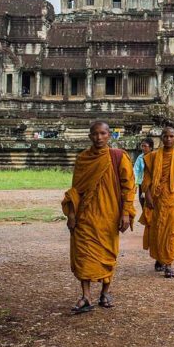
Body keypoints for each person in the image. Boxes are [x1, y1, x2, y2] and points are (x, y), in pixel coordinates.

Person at [61, 120, 135, 314]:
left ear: (109, 135)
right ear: (89, 136)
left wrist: (126, 212)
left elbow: (128, 186)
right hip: (85, 215)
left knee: (107, 254)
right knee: (83, 254)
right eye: (95, 134)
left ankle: (105, 292)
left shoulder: (118, 157)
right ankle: (86, 296)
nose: (99, 137)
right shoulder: (83, 159)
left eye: (103, 134)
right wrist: (71, 213)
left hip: (109, 214)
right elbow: (75, 190)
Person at [140, 126, 174, 279]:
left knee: (172, 230)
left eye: (171, 136)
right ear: (161, 138)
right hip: (157, 198)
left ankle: (168, 263)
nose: (168, 139)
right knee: (158, 229)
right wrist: (148, 196)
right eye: (166, 136)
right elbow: (147, 179)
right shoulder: (153, 157)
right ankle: (159, 257)